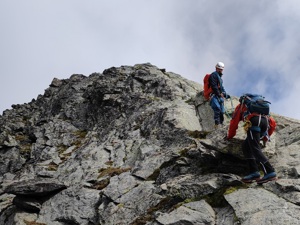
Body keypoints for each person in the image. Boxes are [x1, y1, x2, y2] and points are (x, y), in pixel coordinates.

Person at [225, 95, 277, 184]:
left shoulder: (241, 106)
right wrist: (265, 137)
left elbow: (234, 122)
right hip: (265, 123)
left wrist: (230, 136)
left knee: (255, 148)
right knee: (246, 145)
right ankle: (254, 172)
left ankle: (270, 171)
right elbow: (272, 122)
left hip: (254, 122)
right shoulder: (262, 109)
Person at [209, 62, 228, 128]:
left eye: (221, 69)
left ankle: (221, 124)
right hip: (214, 95)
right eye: (219, 69)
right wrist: (219, 94)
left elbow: (221, 87)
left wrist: (225, 94)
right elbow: (214, 86)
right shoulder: (213, 75)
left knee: (222, 111)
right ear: (216, 68)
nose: (220, 70)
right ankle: (217, 124)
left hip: (219, 96)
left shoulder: (220, 78)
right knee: (217, 108)